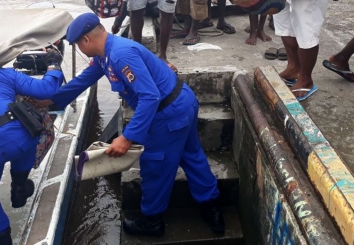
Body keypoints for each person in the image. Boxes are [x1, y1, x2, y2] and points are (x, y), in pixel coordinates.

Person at [48, 13, 224, 237]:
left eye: (77, 45)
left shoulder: (120, 56)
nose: (80, 50)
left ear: (85, 41)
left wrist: (127, 137)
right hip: (182, 101)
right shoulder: (106, 54)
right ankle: (212, 209)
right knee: (192, 155)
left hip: (167, 115)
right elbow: (83, 80)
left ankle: (151, 221)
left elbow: (150, 97)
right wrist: (52, 101)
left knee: (155, 166)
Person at [0, 50, 64, 245]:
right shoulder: (1, 74)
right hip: (19, 136)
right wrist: (53, 64)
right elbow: (46, 89)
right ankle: (19, 187)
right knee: (29, 132)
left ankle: (2, 240)